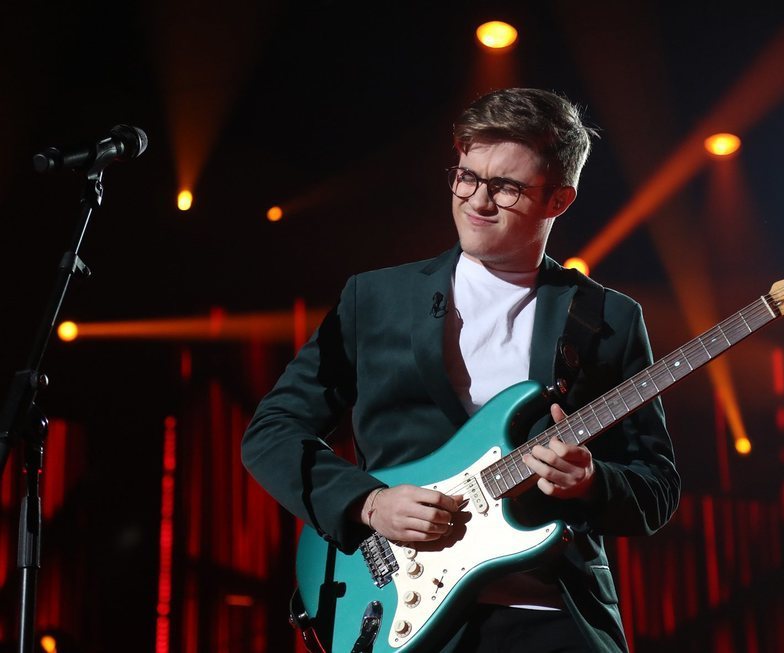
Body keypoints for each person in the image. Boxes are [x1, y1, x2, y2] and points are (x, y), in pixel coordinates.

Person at [241, 87, 680, 653]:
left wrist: (593, 480)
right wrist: (370, 503)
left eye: (506, 187)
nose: (476, 200)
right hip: (397, 606)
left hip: (548, 615)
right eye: (467, 175)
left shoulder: (608, 319)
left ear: (559, 201)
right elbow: (273, 432)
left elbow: (658, 486)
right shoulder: (375, 299)